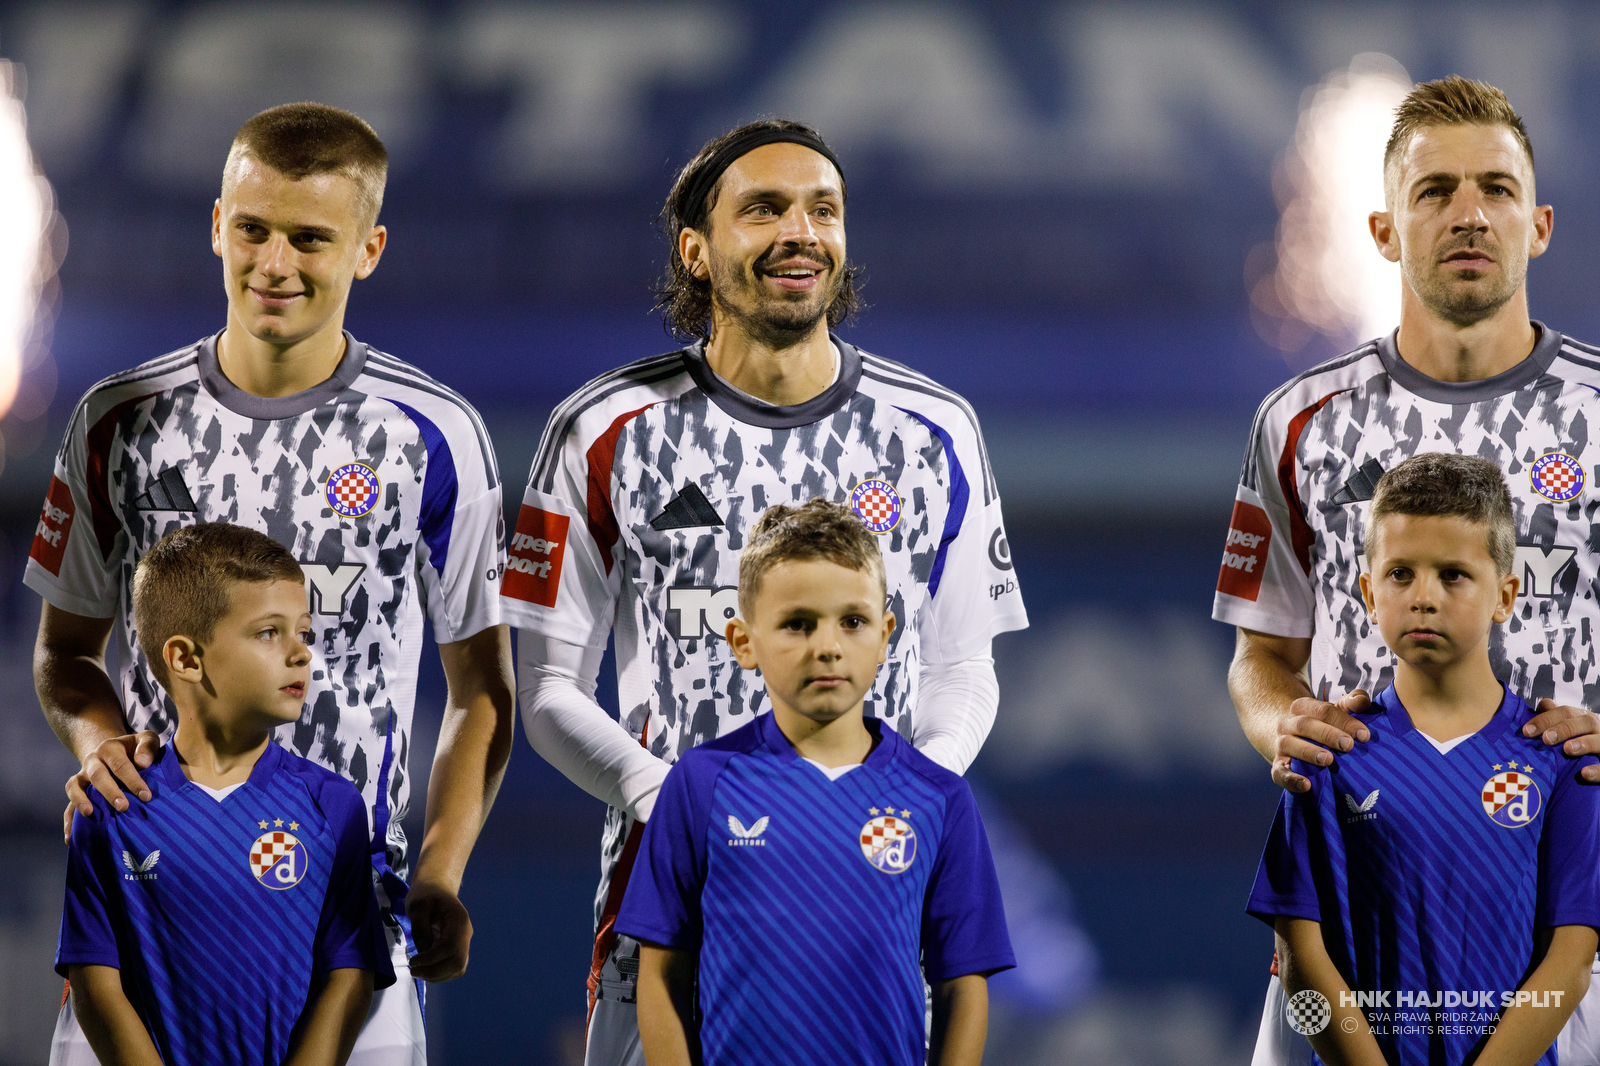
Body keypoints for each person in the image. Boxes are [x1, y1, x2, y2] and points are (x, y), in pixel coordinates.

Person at [500, 118, 1028, 1064]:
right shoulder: (604, 427)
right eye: (765, 210)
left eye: (823, 210)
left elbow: (962, 667)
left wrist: (905, 794)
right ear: (696, 251)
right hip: (669, 914)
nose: (801, 232)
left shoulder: (935, 427)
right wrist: (669, 801)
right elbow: (543, 688)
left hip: (871, 902)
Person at [28, 103, 513, 1064]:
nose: (274, 263)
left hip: (351, 931)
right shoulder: (115, 421)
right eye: (252, 229)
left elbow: (481, 694)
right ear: (217, 224)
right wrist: (100, 744)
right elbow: (63, 653)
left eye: (310, 238)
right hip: (150, 913)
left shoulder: (436, 435)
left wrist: (440, 875)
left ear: (368, 249)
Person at [1214, 76, 1600, 1065]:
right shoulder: (1299, 421)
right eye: (1433, 192)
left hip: (1572, 931)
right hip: (1354, 926)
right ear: (1384, 230)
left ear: (1540, 223)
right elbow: (1261, 659)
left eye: (1494, 189)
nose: (1467, 213)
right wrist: (1282, 723)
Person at [618, 499, 1012, 1066]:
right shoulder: (700, 785)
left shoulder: (939, 798)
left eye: (852, 621)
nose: (827, 645)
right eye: (798, 623)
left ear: (885, 635)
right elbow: (660, 974)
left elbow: (963, 985)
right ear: (743, 641)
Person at [1247, 453, 1600, 1066]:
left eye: (1454, 575)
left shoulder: (1563, 762)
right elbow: (1302, 970)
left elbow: (1568, 967)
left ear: (1505, 595)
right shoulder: (1324, 758)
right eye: (1401, 573)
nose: (1424, 598)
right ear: (1367, 592)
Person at [59, 522, 396, 1066]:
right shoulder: (112, 808)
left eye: (303, 632)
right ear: (186, 659)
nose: (301, 654)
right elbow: (95, 982)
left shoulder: (334, 808)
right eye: (269, 633)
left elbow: (348, 975)